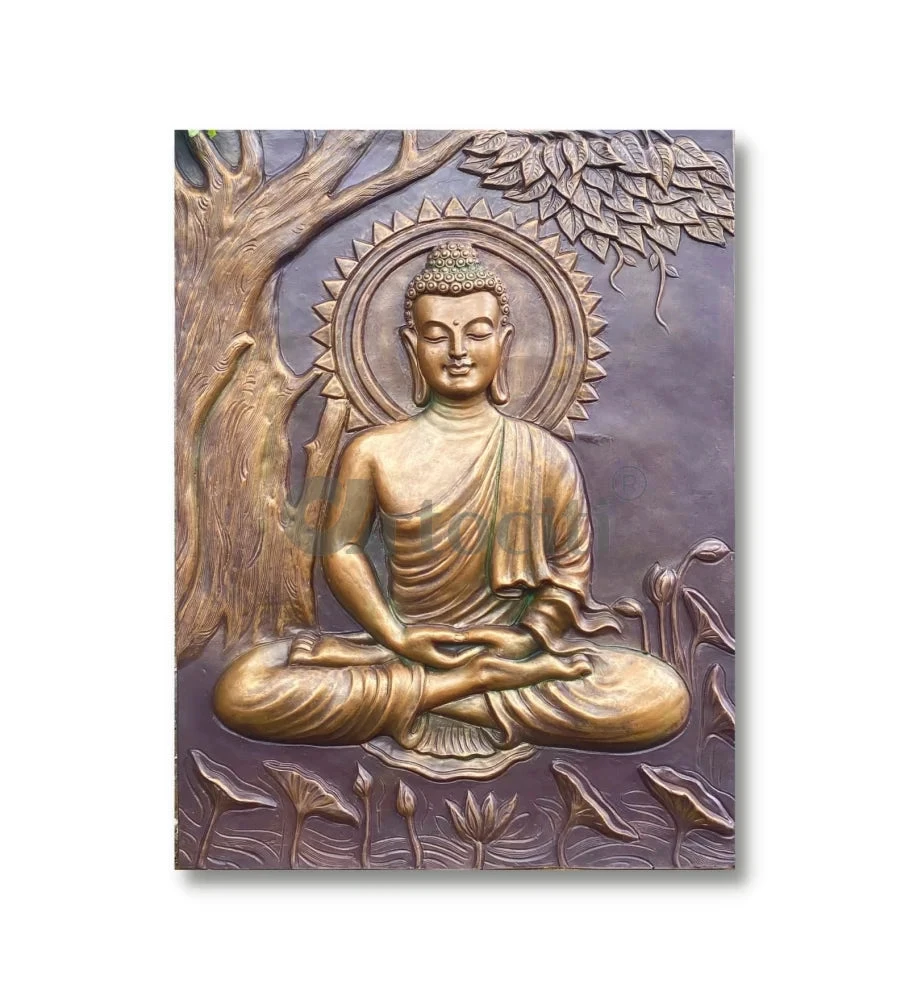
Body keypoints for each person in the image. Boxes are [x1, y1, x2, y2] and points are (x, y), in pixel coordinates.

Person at [214, 242, 689, 753]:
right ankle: (471, 687)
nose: (458, 351)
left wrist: (527, 637)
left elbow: (570, 569)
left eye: (478, 333)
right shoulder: (373, 452)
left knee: (659, 695)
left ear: (505, 340)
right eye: (437, 336)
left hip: (508, 652)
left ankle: (436, 695)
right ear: (411, 344)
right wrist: (396, 636)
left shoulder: (544, 455)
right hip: (404, 647)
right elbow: (342, 549)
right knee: (242, 689)